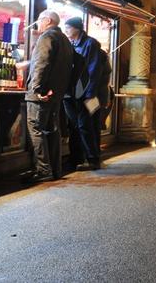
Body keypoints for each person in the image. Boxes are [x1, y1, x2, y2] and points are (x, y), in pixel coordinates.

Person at [23, 10, 73, 183]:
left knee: (36, 128)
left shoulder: (47, 37)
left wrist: (35, 88)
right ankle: (55, 169)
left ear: (48, 20)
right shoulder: (66, 40)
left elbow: (41, 63)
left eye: (39, 21)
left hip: (42, 93)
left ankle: (44, 170)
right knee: (52, 130)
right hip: (56, 94)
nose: (38, 24)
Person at [63, 16, 104, 171]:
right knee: (74, 126)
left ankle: (93, 159)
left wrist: (89, 93)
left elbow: (93, 70)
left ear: (77, 28)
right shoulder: (70, 43)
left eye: (68, 27)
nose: (66, 30)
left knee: (85, 125)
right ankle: (76, 158)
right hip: (70, 92)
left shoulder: (90, 44)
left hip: (83, 92)